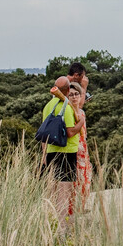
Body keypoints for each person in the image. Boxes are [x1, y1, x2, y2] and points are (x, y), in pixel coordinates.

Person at [35, 67, 91, 218]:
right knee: (64, 191)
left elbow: (44, 132)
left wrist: (44, 154)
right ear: (67, 91)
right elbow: (71, 132)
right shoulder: (66, 108)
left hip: (51, 151)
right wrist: (81, 122)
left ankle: (52, 220)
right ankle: (62, 226)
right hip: (66, 152)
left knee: (54, 188)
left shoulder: (48, 106)